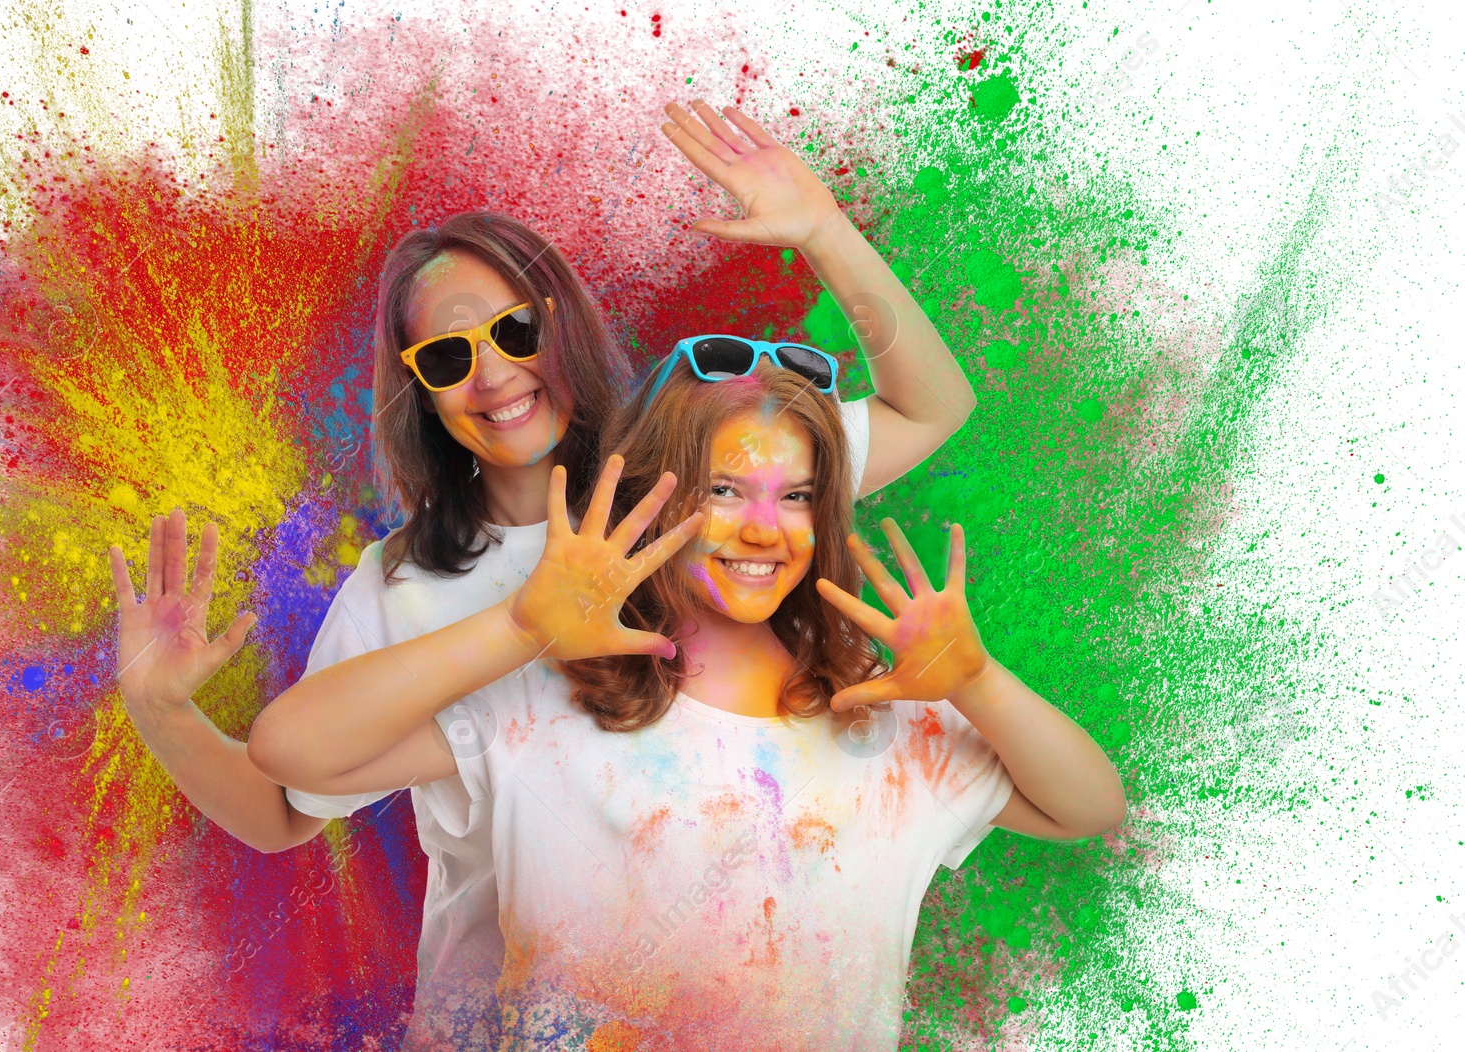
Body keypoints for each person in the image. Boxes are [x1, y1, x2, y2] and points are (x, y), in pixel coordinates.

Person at [107, 100, 979, 1048]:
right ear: (422, 393)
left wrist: (821, 230)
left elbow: (930, 410)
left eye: (515, 332)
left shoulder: (698, 487)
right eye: (448, 356)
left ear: (557, 324)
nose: (493, 376)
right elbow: (282, 812)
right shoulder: (402, 589)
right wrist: (162, 712)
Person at [245, 359, 1127, 1051]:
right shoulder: (548, 704)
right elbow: (291, 750)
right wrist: (517, 629)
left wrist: (978, 684)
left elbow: (1089, 806)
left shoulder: (881, 718)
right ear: (649, 502)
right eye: (723, 491)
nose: (761, 528)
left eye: (795, 497)